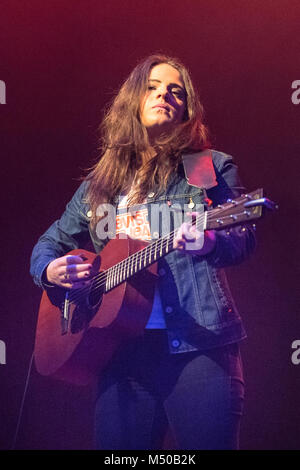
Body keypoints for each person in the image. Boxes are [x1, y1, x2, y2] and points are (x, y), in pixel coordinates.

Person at [30, 54, 256, 450]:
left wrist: (211, 241)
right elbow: (47, 245)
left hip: (197, 350)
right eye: (152, 87)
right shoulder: (99, 185)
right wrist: (51, 270)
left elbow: (241, 237)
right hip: (119, 355)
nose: (164, 95)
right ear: (133, 99)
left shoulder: (204, 168)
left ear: (186, 110)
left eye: (175, 91)